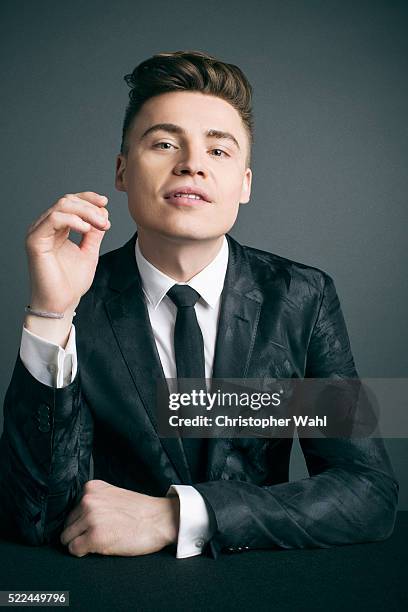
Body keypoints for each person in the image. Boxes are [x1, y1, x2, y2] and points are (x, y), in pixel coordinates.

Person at [0, 50, 398, 560]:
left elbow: (367, 493)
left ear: (245, 183)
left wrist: (181, 515)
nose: (190, 163)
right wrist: (51, 315)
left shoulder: (301, 297)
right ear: (122, 172)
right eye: (165, 143)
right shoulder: (81, 298)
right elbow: (34, 517)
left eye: (219, 151)